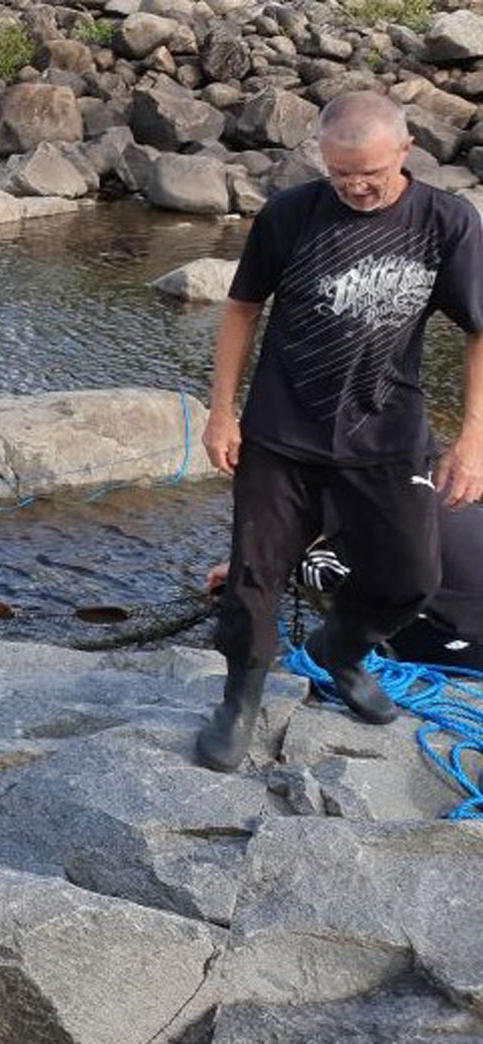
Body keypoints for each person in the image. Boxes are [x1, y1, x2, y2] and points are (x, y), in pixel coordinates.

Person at [196, 91, 483, 772]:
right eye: (340, 173)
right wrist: (221, 410)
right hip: (282, 430)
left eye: (371, 174)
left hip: (387, 432)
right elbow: (241, 309)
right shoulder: (291, 215)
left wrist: (473, 438)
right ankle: (239, 699)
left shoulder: (447, 221)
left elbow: (479, 330)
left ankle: (342, 650)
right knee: (252, 580)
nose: (355, 186)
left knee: (412, 574)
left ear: (405, 152)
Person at [206, 500, 483, 666]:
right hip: (465, 605)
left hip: (465, 644)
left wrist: (255, 571)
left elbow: (315, 561)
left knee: (320, 576)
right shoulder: (408, 480)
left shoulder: (349, 513)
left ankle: (359, 657)